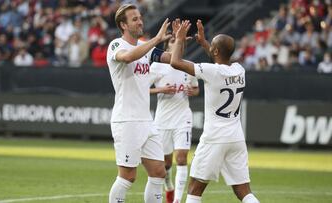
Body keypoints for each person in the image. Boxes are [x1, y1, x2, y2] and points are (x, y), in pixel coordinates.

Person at [170, 20, 260, 203]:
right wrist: (204, 43)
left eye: (212, 46)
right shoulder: (239, 70)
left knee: (194, 189)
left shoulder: (211, 71)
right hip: (236, 138)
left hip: (214, 137)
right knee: (244, 191)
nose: (210, 48)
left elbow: (175, 62)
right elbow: (219, 60)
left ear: (216, 51)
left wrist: (179, 39)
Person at [106, 4, 173, 203]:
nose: (140, 21)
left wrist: (178, 42)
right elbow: (127, 58)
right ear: (123, 25)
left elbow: (171, 59)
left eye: (140, 17)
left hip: (146, 120)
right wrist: (156, 40)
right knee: (128, 176)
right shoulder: (116, 45)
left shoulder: (145, 46)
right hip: (127, 120)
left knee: (158, 172)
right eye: (134, 19)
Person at [150, 35, 199, 203]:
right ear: (167, 46)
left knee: (182, 158)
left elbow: (196, 88)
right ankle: (169, 186)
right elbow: (141, 88)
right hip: (163, 120)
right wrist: (161, 89)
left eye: (181, 42)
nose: (178, 44)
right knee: (165, 163)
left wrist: (194, 91)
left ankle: (177, 199)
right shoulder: (157, 67)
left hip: (183, 118)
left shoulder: (188, 66)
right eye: (173, 41)